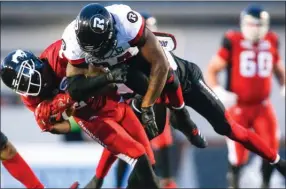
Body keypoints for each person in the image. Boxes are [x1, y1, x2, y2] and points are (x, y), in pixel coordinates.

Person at [0, 41, 159, 188]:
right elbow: (58, 125)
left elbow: (96, 74)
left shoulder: (58, 55)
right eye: (25, 86)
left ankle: (97, 181)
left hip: (111, 102)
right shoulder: (32, 100)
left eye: (32, 77)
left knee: (150, 164)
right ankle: (98, 180)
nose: (34, 86)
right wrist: (63, 121)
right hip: (91, 118)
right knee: (138, 156)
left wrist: (74, 95)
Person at [62, 3, 207, 148]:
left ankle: (183, 119)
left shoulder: (129, 33)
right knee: (129, 145)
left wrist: (147, 105)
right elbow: (77, 90)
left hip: (135, 91)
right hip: (112, 103)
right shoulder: (76, 52)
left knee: (167, 79)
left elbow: (162, 73)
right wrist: (107, 79)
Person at [206, 5, 285, 188]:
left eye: (259, 25)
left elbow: (279, 68)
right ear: (243, 24)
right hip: (238, 107)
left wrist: (284, 84)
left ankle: (265, 184)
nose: (255, 29)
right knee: (237, 155)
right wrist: (218, 90)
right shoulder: (232, 40)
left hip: (262, 106)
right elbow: (212, 69)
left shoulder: (272, 41)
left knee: (271, 149)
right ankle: (234, 185)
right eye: (252, 25)